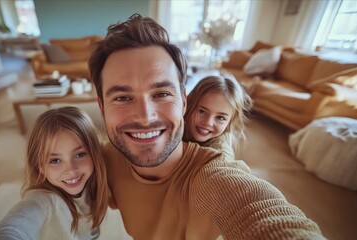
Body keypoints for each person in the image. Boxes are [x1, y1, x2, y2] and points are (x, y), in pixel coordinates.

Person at [89, 13, 324, 239]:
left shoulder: (211, 174)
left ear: (183, 101)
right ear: (101, 108)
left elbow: (257, 209)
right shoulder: (98, 159)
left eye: (161, 93)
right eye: (121, 97)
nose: (145, 117)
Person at [0, 106, 131, 239]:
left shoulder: (96, 180)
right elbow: (13, 229)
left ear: (94, 153)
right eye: (55, 160)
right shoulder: (43, 201)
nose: (71, 169)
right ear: (39, 166)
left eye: (80, 154)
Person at [183, 75, 253, 160]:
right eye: (202, 111)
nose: (208, 122)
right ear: (188, 104)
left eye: (220, 118)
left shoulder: (221, 153)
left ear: (230, 122)